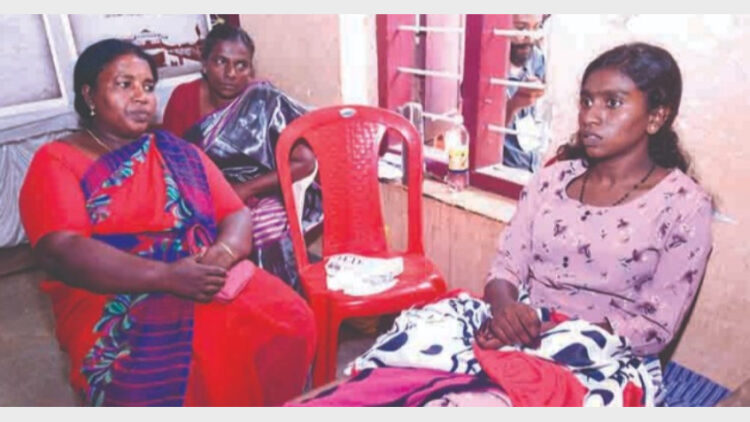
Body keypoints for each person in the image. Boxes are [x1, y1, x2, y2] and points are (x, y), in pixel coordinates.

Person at [292, 42, 714, 407]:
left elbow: (655, 325)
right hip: (516, 320)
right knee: (399, 366)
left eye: (613, 103)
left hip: (600, 350)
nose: (590, 116)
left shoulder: (683, 205)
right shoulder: (553, 179)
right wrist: (505, 309)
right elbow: (507, 265)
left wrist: (547, 331)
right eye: (587, 101)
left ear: (656, 116)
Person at [19, 39, 316, 406]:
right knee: (168, 375)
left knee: (291, 319)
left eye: (147, 86)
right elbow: (61, 249)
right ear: (89, 94)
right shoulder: (57, 160)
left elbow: (236, 213)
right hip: (112, 289)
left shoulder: (176, 151)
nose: (141, 97)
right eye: (124, 84)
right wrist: (167, 276)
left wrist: (220, 255)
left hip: (199, 271)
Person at [163, 24, 322, 291]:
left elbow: (304, 163)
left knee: (264, 224)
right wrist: (211, 196)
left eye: (241, 65)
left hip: (262, 190)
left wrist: (246, 189)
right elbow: (170, 159)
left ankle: (276, 298)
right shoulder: (184, 97)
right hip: (200, 193)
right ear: (204, 64)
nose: (231, 74)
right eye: (220, 62)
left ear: (250, 70)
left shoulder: (263, 100)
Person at [502, 14, 547, 172]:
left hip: (533, 166)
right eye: (521, 28)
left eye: (537, 27)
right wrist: (514, 104)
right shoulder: (485, 69)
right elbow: (481, 138)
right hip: (503, 172)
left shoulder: (537, 58)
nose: (530, 37)